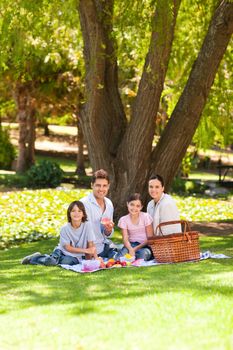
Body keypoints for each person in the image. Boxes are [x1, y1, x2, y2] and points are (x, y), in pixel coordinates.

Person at [21, 201, 97, 266]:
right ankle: (34, 258)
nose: (76, 213)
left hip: (75, 257)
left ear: (83, 214)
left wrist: (91, 261)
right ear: (69, 213)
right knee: (51, 262)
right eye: (73, 211)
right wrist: (86, 251)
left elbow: (91, 245)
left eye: (79, 211)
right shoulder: (65, 228)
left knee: (68, 262)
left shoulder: (88, 225)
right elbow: (68, 248)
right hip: (61, 251)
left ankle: (51, 258)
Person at [80, 169, 118, 259]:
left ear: (108, 186)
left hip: (102, 247)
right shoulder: (84, 204)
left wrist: (108, 230)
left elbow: (107, 234)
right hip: (86, 250)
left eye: (104, 185)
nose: (101, 189)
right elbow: (84, 233)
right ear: (92, 185)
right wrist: (93, 256)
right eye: (98, 185)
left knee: (120, 258)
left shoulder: (109, 203)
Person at [118, 193, 154, 261]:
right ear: (127, 204)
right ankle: (129, 255)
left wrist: (135, 249)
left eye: (138, 206)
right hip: (131, 245)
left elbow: (150, 238)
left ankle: (133, 257)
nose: (134, 208)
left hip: (144, 245)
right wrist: (130, 249)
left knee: (143, 254)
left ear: (141, 207)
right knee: (119, 258)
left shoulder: (146, 217)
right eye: (132, 204)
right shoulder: (123, 219)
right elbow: (125, 239)